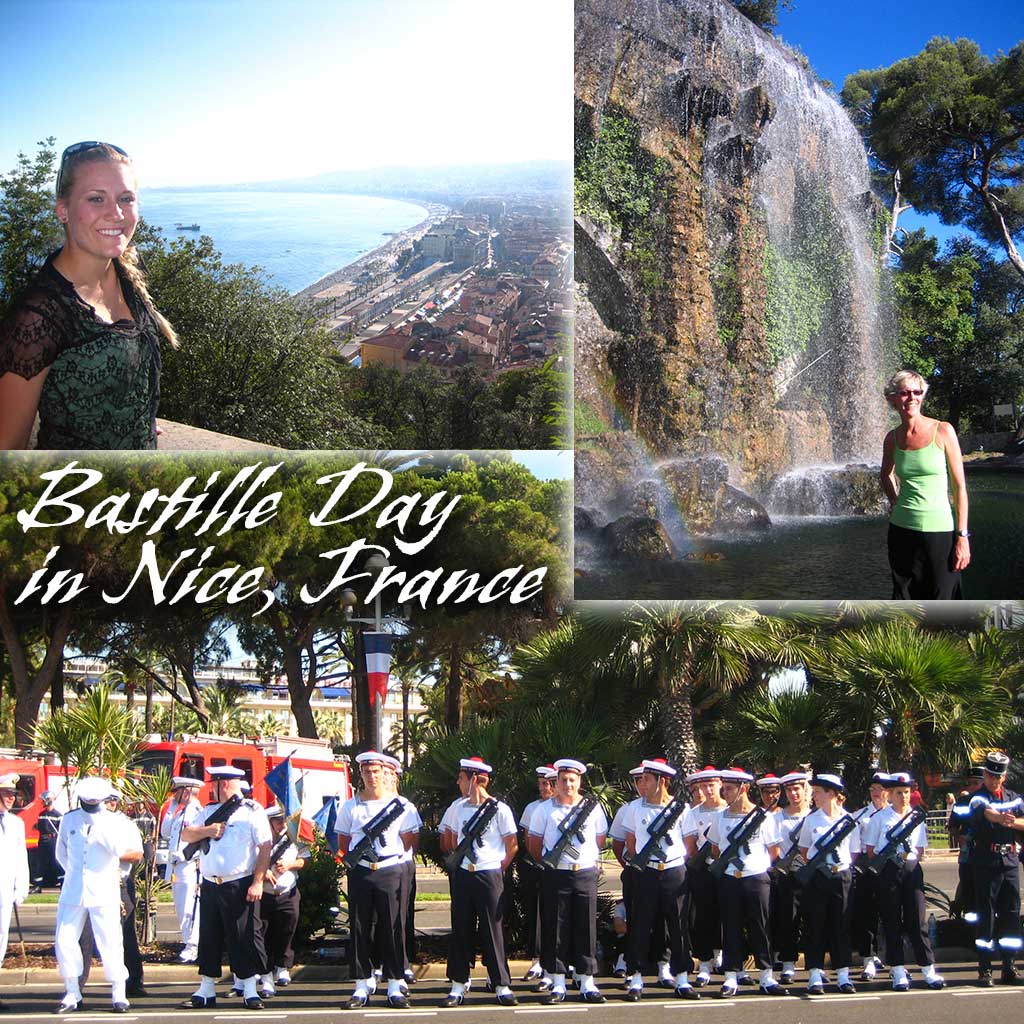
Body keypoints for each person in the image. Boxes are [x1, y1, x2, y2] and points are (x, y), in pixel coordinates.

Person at [0, 141, 178, 450]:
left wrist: (134, 417)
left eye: (126, 198)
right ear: (63, 210)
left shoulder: (126, 276)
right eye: (97, 199)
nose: (117, 213)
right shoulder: (38, 317)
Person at [179, 765, 272, 1011]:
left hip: (239, 883)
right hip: (211, 884)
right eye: (215, 783)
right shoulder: (208, 811)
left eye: (221, 783)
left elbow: (265, 846)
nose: (217, 788)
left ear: (232, 784)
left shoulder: (251, 811)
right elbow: (187, 835)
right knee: (209, 937)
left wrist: (258, 881)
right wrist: (208, 830)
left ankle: (250, 989)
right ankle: (206, 988)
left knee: (243, 938)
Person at [336, 751, 421, 1010]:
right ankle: (362, 985)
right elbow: (343, 845)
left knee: (393, 927)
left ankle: (395, 984)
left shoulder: (403, 806)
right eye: (367, 771)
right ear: (360, 773)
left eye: (377, 772)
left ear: (386, 774)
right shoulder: (351, 806)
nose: (372, 776)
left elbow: (411, 843)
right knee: (360, 928)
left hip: (390, 869)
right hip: (362, 871)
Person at [54, 776, 144, 1014]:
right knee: (64, 940)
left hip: (104, 889)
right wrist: (76, 875)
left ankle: (119, 993)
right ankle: (72, 991)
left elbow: (118, 851)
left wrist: (101, 827)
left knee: (111, 941)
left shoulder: (114, 822)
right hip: (74, 889)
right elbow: (62, 853)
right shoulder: (69, 819)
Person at [880, 369, 970, 598]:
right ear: (893, 398)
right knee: (904, 597)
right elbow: (885, 474)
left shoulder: (943, 431)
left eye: (917, 392)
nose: (911, 397)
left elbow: (959, 487)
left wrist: (962, 536)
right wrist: (894, 501)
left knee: (943, 597)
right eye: (904, 393)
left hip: (939, 529)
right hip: (901, 528)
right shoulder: (892, 438)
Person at [527, 757, 608, 1005]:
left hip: (583, 872)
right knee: (556, 928)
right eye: (563, 780)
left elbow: (601, 840)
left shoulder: (592, 808)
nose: (568, 784)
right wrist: (551, 862)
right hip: (557, 873)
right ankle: (558, 982)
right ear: (557, 781)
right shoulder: (544, 810)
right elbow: (533, 844)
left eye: (572, 780)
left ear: (579, 781)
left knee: (586, 927)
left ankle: (587, 982)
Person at [438, 756, 518, 1008]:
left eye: (462, 778)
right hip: (464, 874)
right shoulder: (456, 808)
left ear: (474, 779)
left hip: (488, 874)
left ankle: (501, 984)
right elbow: (449, 840)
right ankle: (458, 984)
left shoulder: (500, 809)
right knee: (460, 928)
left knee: (492, 931)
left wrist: (496, 867)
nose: (458, 782)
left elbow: (512, 845)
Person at [622, 759, 697, 1001]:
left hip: (674, 871)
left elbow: (689, 843)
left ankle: (683, 978)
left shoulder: (681, 808)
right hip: (647, 872)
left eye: (647, 779)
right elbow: (630, 843)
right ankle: (636, 978)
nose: (642, 783)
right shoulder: (635, 808)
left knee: (678, 926)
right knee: (641, 924)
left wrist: (673, 862)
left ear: (662, 781)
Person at [708, 768, 785, 998]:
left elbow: (774, 850)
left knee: (760, 927)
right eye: (724, 788)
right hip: (730, 878)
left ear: (743, 788)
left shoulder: (763, 816)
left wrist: (754, 866)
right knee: (730, 927)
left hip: (756, 878)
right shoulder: (720, 817)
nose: (725, 793)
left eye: (729, 789)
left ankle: (766, 976)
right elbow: (715, 848)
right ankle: (731, 976)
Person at [863, 773, 944, 990]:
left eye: (907, 792)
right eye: (899, 793)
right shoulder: (879, 818)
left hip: (911, 871)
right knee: (891, 922)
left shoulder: (916, 817)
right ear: (889, 794)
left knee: (918, 922)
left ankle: (928, 970)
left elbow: (919, 848)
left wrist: (908, 862)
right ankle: (897, 970)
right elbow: (871, 851)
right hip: (888, 872)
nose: (903, 797)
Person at [950, 751, 1024, 986]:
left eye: (997, 776)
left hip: (1009, 862)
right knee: (987, 916)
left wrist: (1011, 821)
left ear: (1003, 777)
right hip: (985, 862)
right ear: (985, 775)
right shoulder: (977, 797)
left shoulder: (1014, 798)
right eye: (990, 775)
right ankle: (985, 968)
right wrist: (1003, 819)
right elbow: (987, 813)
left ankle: (1009, 965)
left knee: (1011, 913)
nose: (993, 780)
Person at [797, 773, 859, 996]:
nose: (814, 797)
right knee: (816, 925)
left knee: (841, 925)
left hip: (841, 875)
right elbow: (805, 850)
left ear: (832, 793)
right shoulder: (811, 820)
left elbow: (853, 851)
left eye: (818, 792)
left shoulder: (848, 820)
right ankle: (815, 973)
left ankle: (843, 974)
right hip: (817, 877)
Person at [681, 766, 726, 987]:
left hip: (727, 870)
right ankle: (705, 963)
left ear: (720, 785)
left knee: (728, 916)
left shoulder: (729, 810)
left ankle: (724, 958)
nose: (708, 790)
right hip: (704, 869)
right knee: (703, 917)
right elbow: (690, 846)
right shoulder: (693, 813)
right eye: (703, 785)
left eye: (712, 784)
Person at [259, 807, 307, 998]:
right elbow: (251, 860)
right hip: (264, 893)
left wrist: (289, 865)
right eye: (277, 821)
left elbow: (305, 859)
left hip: (287, 892)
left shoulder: (293, 838)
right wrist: (264, 871)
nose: (282, 824)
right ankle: (266, 971)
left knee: (287, 929)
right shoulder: (262, 839)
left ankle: (283, 966)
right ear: (269, 822)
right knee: (263, 933)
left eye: (284, 820)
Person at [518, 765, 556, 986]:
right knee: (534, 912)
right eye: (541, 783)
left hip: (557, 868)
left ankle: (558, 959)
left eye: (547, 783)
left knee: (555, 914)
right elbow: (528, 838)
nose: (543, 787)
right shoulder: (533, 808)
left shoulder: (559, 807)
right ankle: (536, 960)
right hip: (535, 866)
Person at [772, 771, 811, 984]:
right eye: (789, 789)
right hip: (788, 875)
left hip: (812, 874)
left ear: (805, 791)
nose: (794, 793)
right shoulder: (777, 818)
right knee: (788, 919)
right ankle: (788, 963)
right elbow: (773, 846)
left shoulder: (814, 816)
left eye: (798, 789)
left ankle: (814, 963)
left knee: (814, 920)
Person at [160, 777, 205, 962]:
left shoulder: (197, 813)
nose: (174, 794)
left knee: (189, 907)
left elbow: (200, 840)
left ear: (186, 791)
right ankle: (188, 942)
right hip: (177, 867)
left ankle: (192, 947)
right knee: (180, 906)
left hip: (189, 866)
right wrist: (171, 808)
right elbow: (165, 831)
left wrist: (186, 856)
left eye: (177, 791)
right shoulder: (181, 812)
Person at [851, 771, 890, 980]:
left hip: (889, 867)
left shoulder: (895, 815)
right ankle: (868, 957)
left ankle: (891, 959)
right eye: (873, 788)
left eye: (881, 789)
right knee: (867, 914)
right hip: (866, 867)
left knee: (889, 914)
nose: (877, 792)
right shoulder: (860, 816)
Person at [0, 773, 30, 1012]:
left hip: (4, 890)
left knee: (0, 940)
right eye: (6, 794)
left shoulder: (15, 823)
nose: (11, 799)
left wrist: (21, 886)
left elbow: (21, 858)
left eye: (13, 795)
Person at [33, 790, 62, 891]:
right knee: (40, 863)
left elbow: (60, 830)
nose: (42, 802)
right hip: (42, 840)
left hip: (53, 841)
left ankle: (63, 883)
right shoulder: (41, 814)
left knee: (56, 862)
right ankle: (37, 885)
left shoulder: (58, 815)